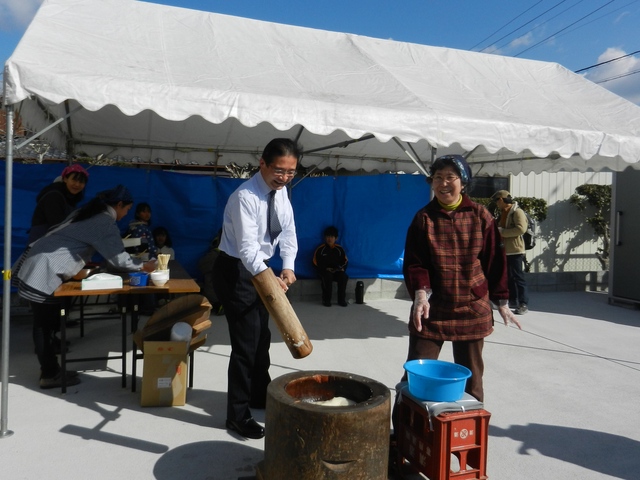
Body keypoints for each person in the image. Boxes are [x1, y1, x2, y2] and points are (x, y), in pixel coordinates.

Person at [400, 155, 521, 404]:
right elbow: (415, 263)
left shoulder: (481, 216)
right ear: (431, 182)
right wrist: (421, 294)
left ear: (463, 183)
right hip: (432, 308)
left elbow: (495, 261)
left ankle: (467, 435)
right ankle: (406, 435)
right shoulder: (423, 218)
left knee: (471, 380)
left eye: (450, 177)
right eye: (438, 178)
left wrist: (502, 301)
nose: (444, 183)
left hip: (472, 307)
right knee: (415, 375)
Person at [13, 185, 157, 389]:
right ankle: (49, 374)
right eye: (126, 209)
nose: (125, 215)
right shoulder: (104, 221)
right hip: (43, 271)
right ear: (118, 205)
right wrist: (144, 266)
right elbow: (118, 259)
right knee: (44, 326)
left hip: (39, 264)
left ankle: (51, 369)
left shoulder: (87, 212)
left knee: (46, 324)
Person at [212, 138, 300, 440]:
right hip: (238, 271)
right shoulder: (245, 197)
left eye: (290, 172)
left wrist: (288, 265)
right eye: (279, 170)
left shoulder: (282, 192)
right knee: (246, 346)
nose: (284, 177)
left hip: (262, 270)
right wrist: (268, 276)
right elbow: (248, 248)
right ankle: (237, 415)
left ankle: (258, 394)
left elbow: (288, 230)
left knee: (261, 337)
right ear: (262, 163)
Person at [28, 163, 89, 244]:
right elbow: (56, 224)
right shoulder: (54, 196)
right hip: (41, 243)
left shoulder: (71, 198)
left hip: (55, 242)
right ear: (65, 179)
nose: (77, 184)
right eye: (74, 180)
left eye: (81, 182)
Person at [491, 190, 530, 315]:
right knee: (507, 277)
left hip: (515, 250)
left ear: (501, 200)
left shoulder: (517, 212)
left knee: (518, 277)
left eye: (497, 201)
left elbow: (521, 229)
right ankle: (512, 300)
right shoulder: (503, 212)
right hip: (504, 250)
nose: (496, 204)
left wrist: (502, 232)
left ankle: (523, 304)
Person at [313, 225, 349, 307]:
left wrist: (341, 269)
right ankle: (326, 300)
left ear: (336, 238)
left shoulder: (340, 249)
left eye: (332, 237)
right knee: (327, 277)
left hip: (337, 271)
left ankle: (341, 300)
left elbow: (345, 261)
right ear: (325, 238)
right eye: (328, 236)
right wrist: (325, 269)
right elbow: (315, 262)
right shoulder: (320, 249)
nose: (330, 239)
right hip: (324, 271)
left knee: (343, 276)